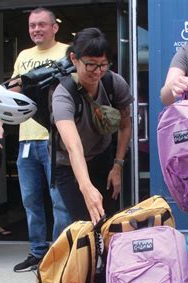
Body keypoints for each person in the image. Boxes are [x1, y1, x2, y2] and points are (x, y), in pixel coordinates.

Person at [0, 8, 71, 272]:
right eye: (32, 26)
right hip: (27, 141)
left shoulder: (66, 51)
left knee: (59, 201)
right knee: (31, 201)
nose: (36, 29)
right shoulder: (24, 56)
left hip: (56, 139)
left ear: (54, 27)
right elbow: (11, 93)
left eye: (41, 25)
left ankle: (59, 256)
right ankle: (38, 252)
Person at [52, 27, 133, 224]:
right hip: (68, 165)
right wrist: (86, 187)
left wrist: (117, 166)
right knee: (83, 225)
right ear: (74, 59)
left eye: (103, 64)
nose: (97, 72)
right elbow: (74, 147)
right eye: (90, 65)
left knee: (108, 222)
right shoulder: (63, 95)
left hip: (102, 157)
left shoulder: (114, 83)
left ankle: (107, 256)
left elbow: (125, 125)